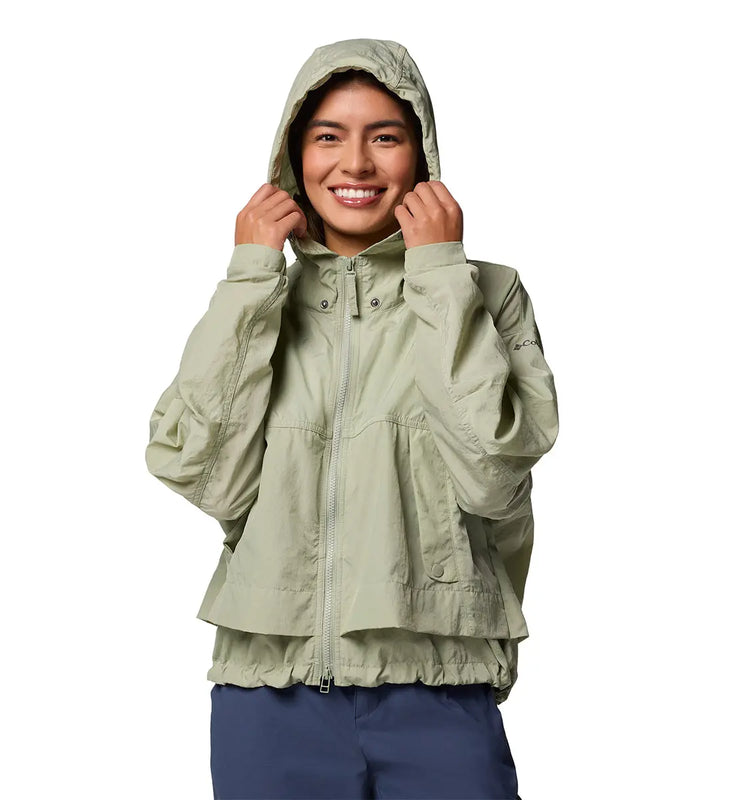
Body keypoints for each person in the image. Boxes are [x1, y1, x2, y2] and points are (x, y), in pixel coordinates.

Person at [145, 37, 558, 800]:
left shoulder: (486, 293)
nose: (357, 164)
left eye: (386, 137)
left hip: (441, 686)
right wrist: (249, 278)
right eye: (329, 136)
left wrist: (440, 274)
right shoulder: (259, 299)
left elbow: (493, 474)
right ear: (293, 155)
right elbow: (205, 477)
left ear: (421, 154)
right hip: (270, 695)